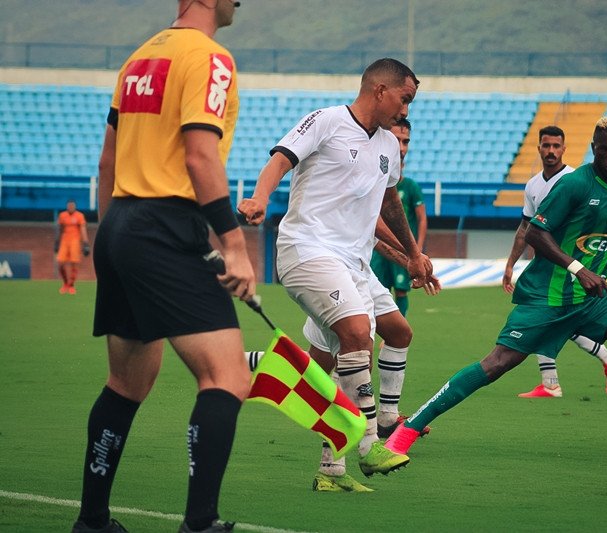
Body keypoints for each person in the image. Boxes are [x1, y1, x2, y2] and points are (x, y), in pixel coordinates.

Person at [386, 116, 607, 461]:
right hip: (548, 298)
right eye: (606, 149)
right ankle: (407, 431)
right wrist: (578, 268)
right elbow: (535, 234)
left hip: (595, 300)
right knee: (496, 364)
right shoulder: (574, 185)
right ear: (594, 149)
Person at [74, 2, 254, 532]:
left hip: (122, 221)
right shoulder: (210, 57)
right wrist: (234, 246)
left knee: (127, 383)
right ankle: (200, 524)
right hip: (164, 223)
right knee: (228, 376)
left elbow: (108, 160)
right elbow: (200, 157)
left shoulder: (139, 58)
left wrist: (110, 240)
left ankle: (93, 521)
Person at [238, 58, 433, 483]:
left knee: (371, 343)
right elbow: (280, 160)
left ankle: (332, 466)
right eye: (405, 99)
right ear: (380, 90)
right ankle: (369, 442)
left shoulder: (386, 146)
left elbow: (389, 204)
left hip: (354, 265)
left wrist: (413, 255)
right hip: (307, 251)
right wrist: (259, 198)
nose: (406, 111)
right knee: (358, 333)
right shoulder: (326, 121)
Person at [503, 126, 607, 398]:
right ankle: (551, 383)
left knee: (559, 321)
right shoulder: (533, 185)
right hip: (545, 268)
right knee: (545, 318)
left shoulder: (574, 180)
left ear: (564, 149)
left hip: (572, 266)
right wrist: (511, 264)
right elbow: (526, 228)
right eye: (546, 145)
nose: (550, 151)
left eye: (556, 146)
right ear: (539, 148)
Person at [370, 118, 427, 317]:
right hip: (373, 248)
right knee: (376, 291)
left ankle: (389, 333)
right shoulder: (370, 175)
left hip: (397, 246)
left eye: (406, 142)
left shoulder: (410, 186)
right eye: (397, 140)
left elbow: (421, 219)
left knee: (401, 291)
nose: (401, 148)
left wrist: (416, 251)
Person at [55, 199, 90, 294]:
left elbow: (83, 229)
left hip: (75, 241)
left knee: (74, 263)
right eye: (69, 206)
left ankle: (71, 285)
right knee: (60, 263)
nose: (70, 207)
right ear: (67, 206)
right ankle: (65, 283)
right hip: (64, 241)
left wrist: (85, 243)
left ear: (75, 206)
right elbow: (59, 229)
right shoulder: (62, 215)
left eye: (72, 206)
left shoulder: (79, 216)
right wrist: (57, 242)